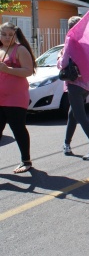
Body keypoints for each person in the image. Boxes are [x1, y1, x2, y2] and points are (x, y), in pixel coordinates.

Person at [58, 17, 89, 160]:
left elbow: (64, 62)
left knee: (79, 116)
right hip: (87, 84)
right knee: (72, 114)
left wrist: (59, 58)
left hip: (74, 84)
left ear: (70, 28)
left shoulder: (71, 41)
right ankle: (66, 144)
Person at [0, 22, 36, 173]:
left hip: (16, 98)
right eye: (4, 34)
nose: (7, 38)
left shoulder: (20, 49)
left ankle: (26, 161)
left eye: (10, 35)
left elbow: (29, 71)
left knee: (17, 128)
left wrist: (8, 69)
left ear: (15, 35)